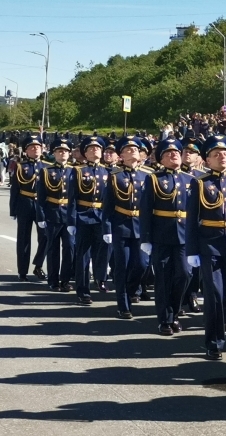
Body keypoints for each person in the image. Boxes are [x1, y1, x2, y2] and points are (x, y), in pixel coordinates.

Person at [186, 135, 226, 360]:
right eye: (216, 154)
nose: (222, 157)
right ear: (207, 160)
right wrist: (192, 251)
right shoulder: (200, 183)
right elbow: (192, 218)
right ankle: (214, 342)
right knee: (214, 295)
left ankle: (220, 318)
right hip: (209, 245)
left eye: (225, 153)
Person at [139, 137, 194, 335]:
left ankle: (175, 310)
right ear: (161, 160)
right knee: (163, 279)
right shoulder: (153, 179)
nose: (174, 156)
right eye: (168, 154)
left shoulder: (190, 179)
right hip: (161, 235)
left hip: (184, 236)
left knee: (185, 274)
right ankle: (165, 319)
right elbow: (145, 210)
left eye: (177, 153)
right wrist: (145, 238)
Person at [102, 136, 153, 319]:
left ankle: (132, 291)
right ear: (121, 155)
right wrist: (107, 228)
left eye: (135, 150)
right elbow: (107, 205)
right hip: (121, 225)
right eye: (128, 150)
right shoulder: (115, 176)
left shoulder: (148, 175)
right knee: (122, 266)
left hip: (142, 226)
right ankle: (123, 305)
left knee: (141, 264)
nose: (132, 152)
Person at [69, 136, 112, 304]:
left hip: (102, 217)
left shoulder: (108, 172)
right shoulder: (78, 171)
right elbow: (71, 197)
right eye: (91, 149)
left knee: (101, 254)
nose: (95, 151)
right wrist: (72, 221)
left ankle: (100, 280)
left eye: (98, 149)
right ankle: (83, 290)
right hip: (84, 216)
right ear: (85, 153)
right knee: (83, 256)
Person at [36, 137, 75, 292]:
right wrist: (41, 217)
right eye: (59, 151)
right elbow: (41, 197)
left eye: (65, 151)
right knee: (53, 249)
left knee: (69, 248)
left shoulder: (75, 171)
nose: (62, 153)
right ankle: (53, 280)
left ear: (70, 153)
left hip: (69, 214)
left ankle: (65, 280)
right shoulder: (46, 171)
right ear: (54, 153)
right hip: (52, 213)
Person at [10, 135, 48, 282]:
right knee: (24, 239)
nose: (35, 149)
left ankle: (38, 265)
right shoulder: (21, 167)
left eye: (38, 147)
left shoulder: (46, 166)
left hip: (42, 205)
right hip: (25, 204)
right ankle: (22, 271)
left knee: (45, 236)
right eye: (32, 147)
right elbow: (15, 190)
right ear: (26, 151)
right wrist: (13, 209)